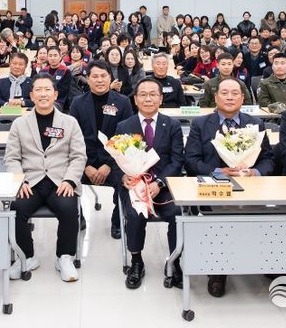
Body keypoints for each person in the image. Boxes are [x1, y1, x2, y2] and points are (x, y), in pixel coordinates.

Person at [185, 76, 275, 297]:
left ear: (243, 98)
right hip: (214, 189)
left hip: (250, 188)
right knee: (218, 222)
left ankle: (266, 260)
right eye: (224, 93)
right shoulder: (200, 124)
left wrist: (255, 172)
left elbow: (268, 159)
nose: (229, 97)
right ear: (215, 97)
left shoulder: (256, 124)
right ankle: (218, 271)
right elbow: (191, 161)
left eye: (235, 93)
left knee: (267, 217)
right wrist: (219, 172)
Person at [4, 73, 86, 282]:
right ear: (31, 95)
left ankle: (64, 257)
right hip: (30, 181)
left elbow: (78, 156)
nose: (43, 94)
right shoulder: (19, 124)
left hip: (60, 180)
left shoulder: (70, 122)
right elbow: (11, 158)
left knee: (69, 209)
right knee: (16, 209)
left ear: (55, 94)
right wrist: (19, 180)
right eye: (38, 90)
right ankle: (27, 257)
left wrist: (70, 180)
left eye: (47, 89)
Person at [111, 78, 184, 289]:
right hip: (134, 185)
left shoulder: (172, 125)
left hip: (163, 185)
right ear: (135, 99)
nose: (148, 99)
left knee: (177, 213)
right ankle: (136, 262)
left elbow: (176, 161)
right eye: (143, 94)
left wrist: (159, 183)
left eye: (153, 94)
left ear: (161, 98)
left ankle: (174, 261)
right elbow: (115, 160)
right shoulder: (124, 126)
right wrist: (123, 177)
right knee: (135, 214)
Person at [70, 60, 134, 239]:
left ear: (110, 77)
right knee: (66, 178)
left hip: (114, 161)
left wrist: (108, 164)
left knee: (126, 182)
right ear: (88, 79)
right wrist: (85, 166)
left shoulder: (123, 102)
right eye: (95, 76)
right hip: (84, 161)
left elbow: (126, 138)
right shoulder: (77, 103)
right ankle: (77, 216)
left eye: (103, 76)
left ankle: (117, 220)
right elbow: (72, 139)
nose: (99, 80)